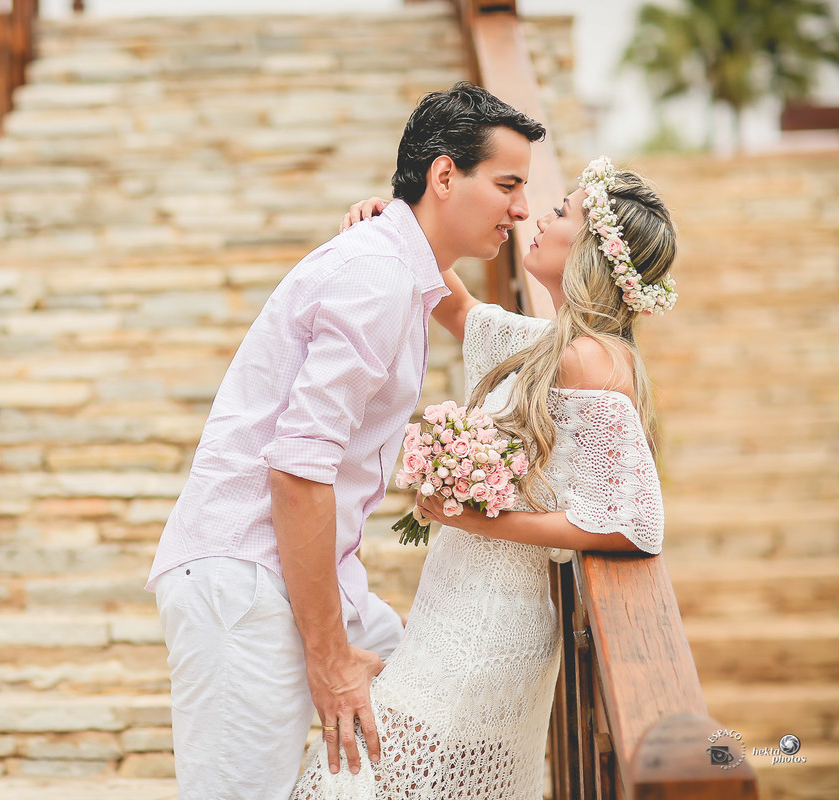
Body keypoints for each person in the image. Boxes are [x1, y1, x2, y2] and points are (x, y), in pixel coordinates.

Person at [144, 82, 546, 800]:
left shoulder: (398, 266)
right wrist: (328, 659)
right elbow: (298, 471)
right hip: (246, 577)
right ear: (445, 176)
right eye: (509, 184)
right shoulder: (378, 277)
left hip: (318, 578)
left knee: (430, 702)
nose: (522, 208)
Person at [289, 157, 676, 799]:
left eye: (561, 214)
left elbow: (632, 524)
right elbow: (460, 308)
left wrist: (472, 515)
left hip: (491, 631)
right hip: (455, 609)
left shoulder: (592, 362)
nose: (539, 218)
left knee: (361, 777)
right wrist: (398, 227)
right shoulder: (550, 346)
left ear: (588, 254)